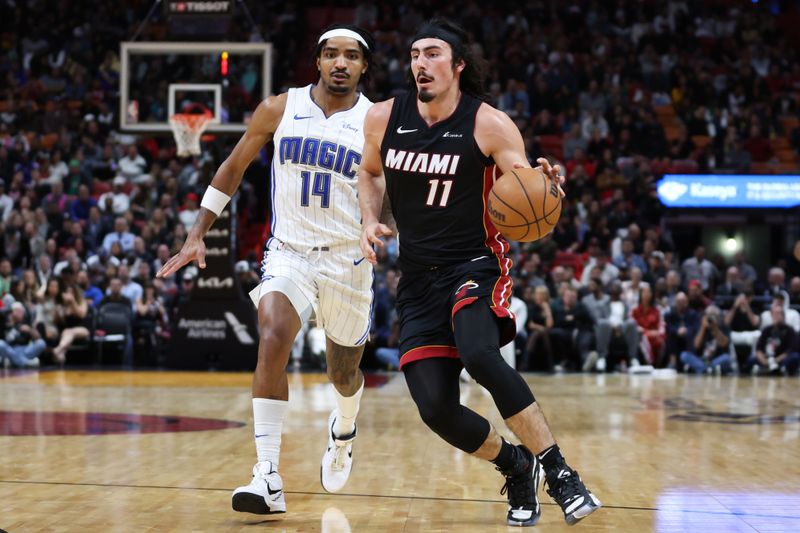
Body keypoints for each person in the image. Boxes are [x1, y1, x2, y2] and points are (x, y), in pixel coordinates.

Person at [356, 18, 600, 527]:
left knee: (480, 354)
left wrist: (545, 182)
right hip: (417, 278)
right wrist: (369, 220)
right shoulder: (382, 117)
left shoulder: (488, 123)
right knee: (436, 410)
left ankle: (560, 472)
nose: (420, 63)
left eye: (433, 54)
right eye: (415, 54)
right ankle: (516, 464)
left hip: (474, 264)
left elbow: (524, 179)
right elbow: (370, 171)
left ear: (458, 65)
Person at [156, 24, 377, 516]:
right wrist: (198, 233)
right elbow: (233, 166)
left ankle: (343, 430)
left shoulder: (375, 121)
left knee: (344, 374)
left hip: (348, 259)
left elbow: (387, 187)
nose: (340, 63)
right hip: (290, 251)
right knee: (274, 333)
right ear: (317, 61)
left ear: (364, 66)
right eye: (331, 54)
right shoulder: (280, 108)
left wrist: (377, 223)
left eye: (351, 56)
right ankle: (267, 475)